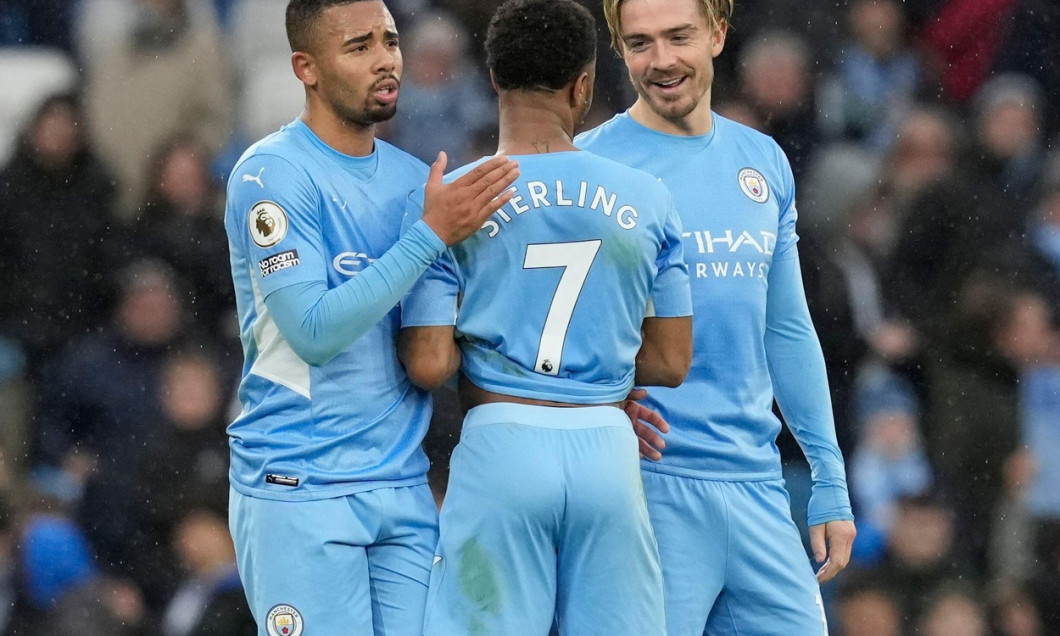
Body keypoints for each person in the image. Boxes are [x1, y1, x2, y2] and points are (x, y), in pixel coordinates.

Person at [222, 0, 519, 634]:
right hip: (300, 487)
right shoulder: (273, 174)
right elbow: (314, 332)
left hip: (402, 489)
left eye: (390, 40)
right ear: (306, 67)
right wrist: (429, 236)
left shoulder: (419, 184)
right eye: (359, 46)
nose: (386, 58)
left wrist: (585, 400)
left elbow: (430, 362)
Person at [397, 1, 693, 633]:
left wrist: (503, 352)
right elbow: (670, 361)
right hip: (607, 452)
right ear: (582, 85)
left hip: (499, 444)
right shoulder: (650, 199)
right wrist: (596, 359)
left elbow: (427, 364)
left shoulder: (451, 201)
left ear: (494, 79)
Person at [576, 0, 857, 634]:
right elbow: (559, 335)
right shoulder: (589, 166)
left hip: (759, 487)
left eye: (680, 37)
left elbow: (786, 329)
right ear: (619, 49)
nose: (663, 60)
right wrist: (595, 404)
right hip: (648, 491)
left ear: (718, 35)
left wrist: (829, 480)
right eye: (641, 43)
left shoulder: (764, 161)